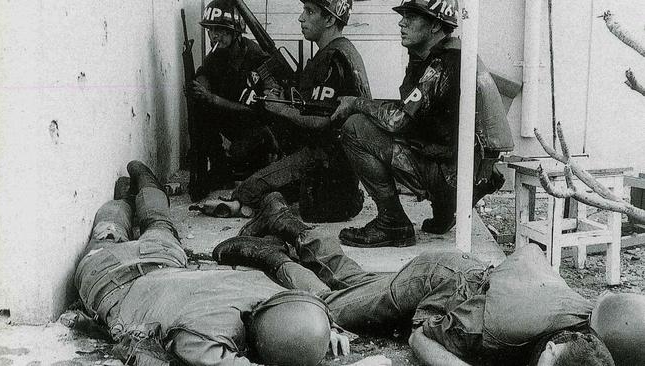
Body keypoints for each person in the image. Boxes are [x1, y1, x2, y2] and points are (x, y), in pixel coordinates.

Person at [212, 192, 645, 366]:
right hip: (435, 283)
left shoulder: (578, 320)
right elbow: (422, 337)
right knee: (330, 308)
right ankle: (268, 253)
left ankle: (284, 218)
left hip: (463, 276)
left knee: (357, 285)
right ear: (551, 345)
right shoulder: (499, 327)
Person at [71, 160, 390, 366]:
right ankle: (127, 199)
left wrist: (323, 326)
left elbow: (299, 300)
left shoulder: (259, 286)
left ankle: (135, 192)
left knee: (157, 222)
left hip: (159, 262)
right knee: (109, 231)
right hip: (106, 276)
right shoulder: (204, 337)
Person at [329, 0, 514, 247]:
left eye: (412, 17)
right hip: (465, 172)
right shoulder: (453, 55)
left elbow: (398, 120)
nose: (401, 22)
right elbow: (419, 111)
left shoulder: (441, 64)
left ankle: (391, 222)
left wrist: (356, 104)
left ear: (436, 26)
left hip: (453, 178)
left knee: (355, 128)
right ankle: (444, 213)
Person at [230, 0, 371, 223]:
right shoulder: (343, 51)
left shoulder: (331, 58)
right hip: (339, 170)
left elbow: (321, 122)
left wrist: (280, 108)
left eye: (310, 11)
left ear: (330, 19)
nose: (301, 18)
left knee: (247, 190)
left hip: (325, 172)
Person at [187, 0, 282, 201]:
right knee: (198, 105)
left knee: (243, 159)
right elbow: (205, 72)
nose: (214, 36)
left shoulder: (256, 57)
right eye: (211, 30)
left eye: (221, 30)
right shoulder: (216, 54)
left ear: (236, 32)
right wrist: (199, 85)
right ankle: (218, 168)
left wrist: (212, 98)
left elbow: (260, 110)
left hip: (259, 126)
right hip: (234, 120)